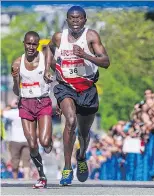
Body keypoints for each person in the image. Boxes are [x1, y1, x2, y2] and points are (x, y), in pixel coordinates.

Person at [44, 6, 110, 186]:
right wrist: (48, 69)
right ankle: (67, 167)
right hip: (66, 86)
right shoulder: (59, 37)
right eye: (72, 18)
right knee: (70, 121)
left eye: (79, 18)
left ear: (84, 20)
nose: (75, 21)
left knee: (84, 132)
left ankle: (81, 156)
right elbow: (48, 50)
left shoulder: (91, 36)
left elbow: (106, 62)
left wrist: (86, 55)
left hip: (87, 88)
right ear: (67, 20)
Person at [11, 31, 53, 188]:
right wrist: (16, 80)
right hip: (26, 104)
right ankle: (42, 175)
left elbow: (56, 71)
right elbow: (16, 91)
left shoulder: (44, 58)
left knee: (44, 141)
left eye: (34, 44)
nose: (31, 47)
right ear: (23, 43)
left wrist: (50, 75)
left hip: (43, 102)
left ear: (38, 44)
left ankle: (49, 141)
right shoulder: (17, 63)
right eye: (28, 43)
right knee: (32, 143)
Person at [2, 100, 31, 180]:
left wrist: (10, 105)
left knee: (15, 161)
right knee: (26, 161)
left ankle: (15, 179)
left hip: (14, 140)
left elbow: (2, 113)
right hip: (27, 140)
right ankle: (27, 178)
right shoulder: (28, 112)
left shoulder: (12, 112)